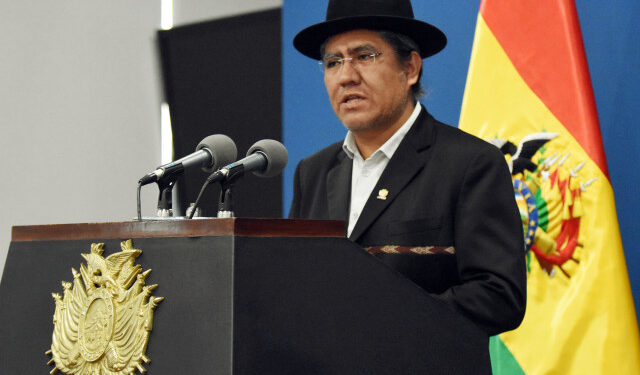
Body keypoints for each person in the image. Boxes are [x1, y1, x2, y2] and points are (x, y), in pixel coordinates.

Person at [289, 0, 526, 336]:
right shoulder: (312, 172)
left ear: (411, 68)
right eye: (333, 62)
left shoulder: (470, 163)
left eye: (365, 56)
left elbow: (499, 297)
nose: (346, 76)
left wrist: (380, 319)